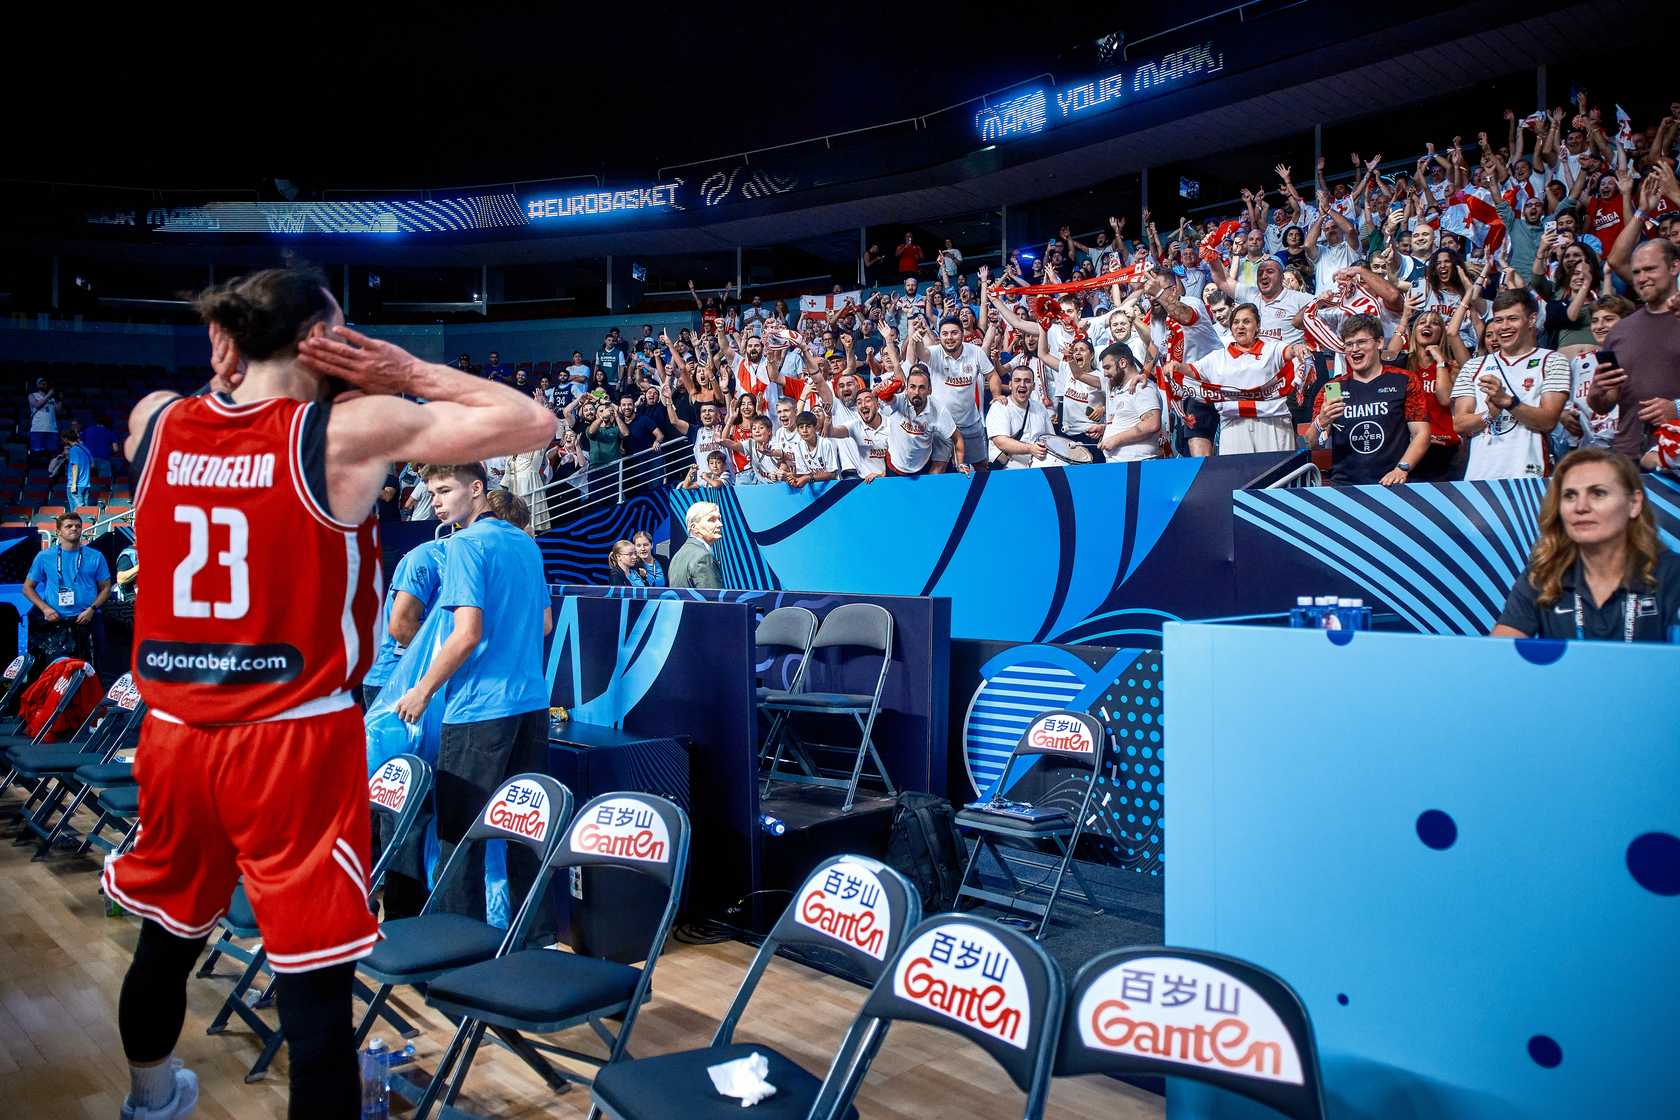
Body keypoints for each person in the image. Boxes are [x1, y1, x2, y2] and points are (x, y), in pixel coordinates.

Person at [103, 266, 553, 1120]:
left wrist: (227, 365)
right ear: (326, 344)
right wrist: (407, 371)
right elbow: (534, 422)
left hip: (176, 729)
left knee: (165, 939)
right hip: (291, 739)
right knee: (313, 982)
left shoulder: (157, 420)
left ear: (225, 341)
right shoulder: (342, 431)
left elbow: (211, 411)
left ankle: (150, 1099)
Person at [392, 465, 553, 933]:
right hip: (531, 706)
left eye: (445, 490)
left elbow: (466, 634)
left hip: (479, 711)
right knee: (524, 834)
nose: (437, 502)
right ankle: (533, 943)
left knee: (459, 838)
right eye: (432, 493)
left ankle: (458, 952)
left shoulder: (465, 544)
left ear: (477, 488)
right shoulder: (527, 544)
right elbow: (545, 625)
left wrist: (422, 690)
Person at [1492, 447, 1678, 642]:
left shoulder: (1673, 574)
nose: (1581, 507)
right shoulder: (1543, 575)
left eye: (1598, 493)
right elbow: (1499, 653)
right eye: (1570, 495)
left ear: (1634, 503)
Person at [1451, 288, 1569, 480]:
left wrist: (1508, 402)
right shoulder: (1474, 366)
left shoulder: (1553, 361)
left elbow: (1548, 421)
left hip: (1529, 476)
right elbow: (1459, 424)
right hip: (1479, 477)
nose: (1504, 327)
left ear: (1531, 319)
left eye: (1512, 319)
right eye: (1498, 320)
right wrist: (1489, 414)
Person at [1307, 315, 1432, 486]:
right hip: (1345, 485)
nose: (1354, 349)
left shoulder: (1404, 380)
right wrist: (1321, 422)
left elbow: (1421, 433)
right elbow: (1312, 444)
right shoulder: (1333, 388)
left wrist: (1401, 469)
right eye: (1349, 344)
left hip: (1393, 483)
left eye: (1361, 342)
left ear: (1379, 343)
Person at [1589, 239, 1680, 460]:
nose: (1641, 278)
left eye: (1650, 269)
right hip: (1628, 456)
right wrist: (1598, 393)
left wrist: (1677, 409)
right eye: (1637, 272)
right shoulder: (1620, 331)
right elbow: (1603, 404)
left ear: (1674, 267)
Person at [23, 511, 111, 663]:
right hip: (56, 621)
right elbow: (27, 588)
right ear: (58, 532)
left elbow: (106, 588)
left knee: (94, 666)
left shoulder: (96, 556)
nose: (74, 528)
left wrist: (92, 609)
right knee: (57, 668)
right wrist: (45, 609)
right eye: (68, 526)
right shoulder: (44, 557)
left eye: (78, 526)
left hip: (87, 619)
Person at [985, 364, 1055, 469]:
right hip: (1008, 470)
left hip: (1037, 469)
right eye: (1017, 380)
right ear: (1010, 385)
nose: (1022, 385)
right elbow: (1001, 441)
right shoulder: (1000, 407)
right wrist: (1031, 449)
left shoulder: (1040, 408)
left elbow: (1051, 439)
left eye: (1027, 381)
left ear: (1033, 386)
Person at [669, 501, 724, 589]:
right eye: (712, 520)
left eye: (719, 519)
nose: (720, 524)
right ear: (694, 528)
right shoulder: (704, 557)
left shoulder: (677, 556)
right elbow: (712, 596)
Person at [27, 377, 61, 458]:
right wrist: (49, 395)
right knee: (36, 454)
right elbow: (37, 405)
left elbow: (58, 411)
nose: (44, 384)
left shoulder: (52, 398)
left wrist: (60, 399)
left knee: (53, 454)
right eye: (41, 383)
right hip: (37, 429)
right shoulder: (32, 395)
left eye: (45, 383)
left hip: (52, 430)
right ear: (37, 385)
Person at [64, 427, 94, 511]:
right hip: (86, 484)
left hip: (76, 485)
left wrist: (73, 484)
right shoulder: (85, 449)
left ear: (66, 439)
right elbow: (92, 465)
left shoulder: (73, 450)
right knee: (85, 511)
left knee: (77, 511)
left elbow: (75, 466)